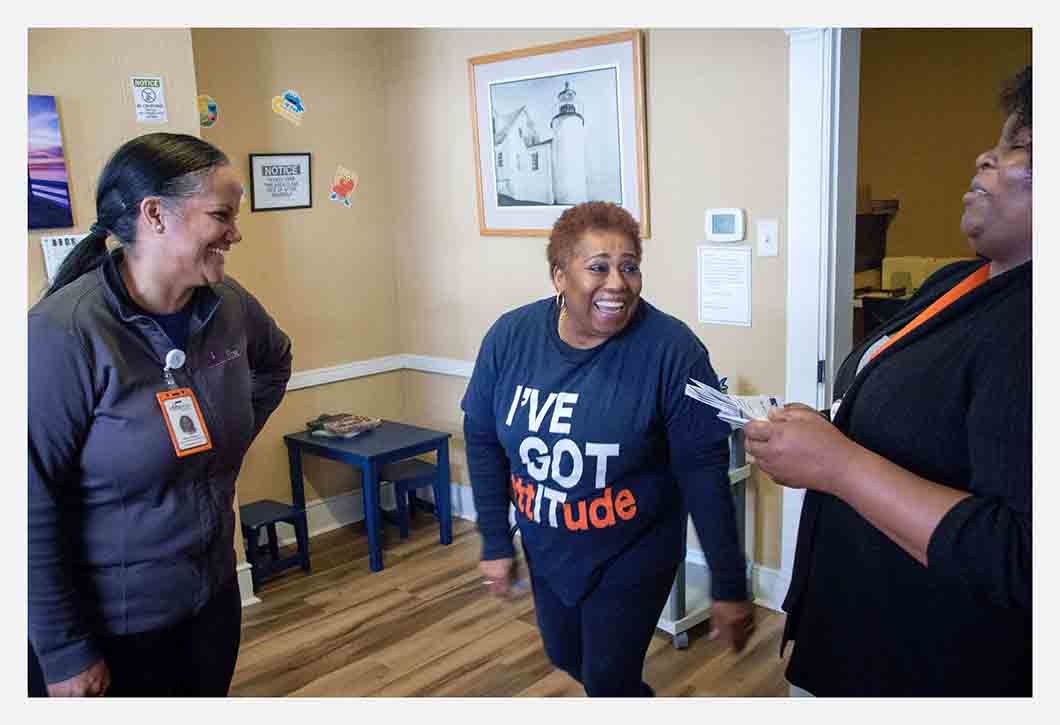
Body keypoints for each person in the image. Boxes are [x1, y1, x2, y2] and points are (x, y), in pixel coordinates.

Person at [745, 66, 1031, 696]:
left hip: (929, 668)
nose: (986, 155)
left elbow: (1024, 557)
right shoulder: (957, 282)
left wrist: (837, 464)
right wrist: (822, 428)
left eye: (1022, 148)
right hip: (851, 625)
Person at [28, 132, 293, 697]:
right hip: (112, 629)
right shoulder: (64, 333)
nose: (236, 233)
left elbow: (275, 362)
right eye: (221, 215)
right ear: (154, 216)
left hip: (210, 602)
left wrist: (227, 443)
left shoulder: (229, 305)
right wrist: (62, 652)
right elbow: (25, 504)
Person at [461, 201, 754, 697]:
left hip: (633, 547)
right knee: (563, 654)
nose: (618, 282)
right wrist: (494, 540)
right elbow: (483, 436)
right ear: (559, 276)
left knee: (607, 680)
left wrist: (728, 583)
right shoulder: (510, 337)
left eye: (630, 267)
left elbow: (702, 470)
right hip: (547, 541)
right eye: (598, 267)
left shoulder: (671, 350)